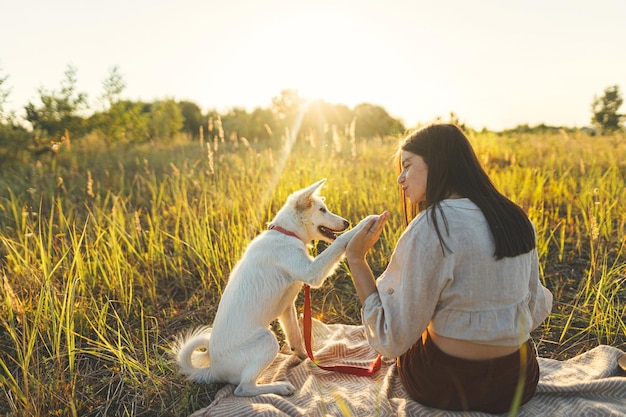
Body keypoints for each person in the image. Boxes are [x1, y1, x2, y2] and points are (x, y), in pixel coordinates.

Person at [345, 123, 553, 413]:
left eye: (407, 166)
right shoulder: (515, 216)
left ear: (438, 162)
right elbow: (534, 308)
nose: (400, 178)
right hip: (516, 382)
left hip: (445, 384)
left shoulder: (432, 225)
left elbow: (391, 341)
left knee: (416, 323)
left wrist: (356, 259)